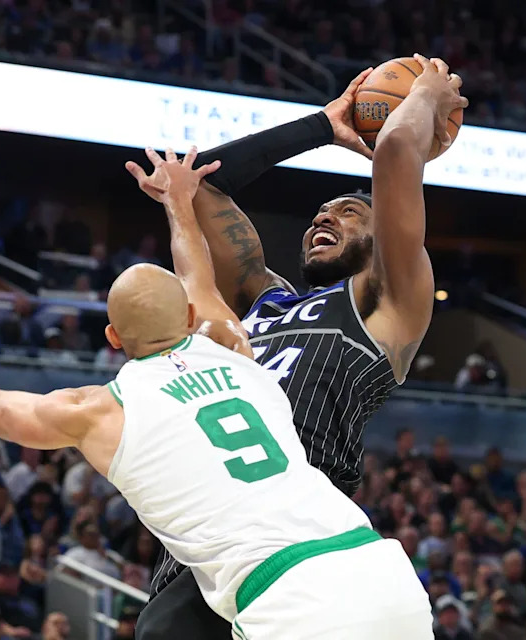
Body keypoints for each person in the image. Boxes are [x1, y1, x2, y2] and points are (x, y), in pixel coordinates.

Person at [0, 146, 434, 638]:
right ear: (189, 316)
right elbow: (197, 274)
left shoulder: (100, 410)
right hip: (373, 563)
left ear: (111, 338)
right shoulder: (235, 351)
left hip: (284, 594)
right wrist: (179, 205)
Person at [125, 55, 466, 639]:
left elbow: (396, 156)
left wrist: (425, 96)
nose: (324, 218)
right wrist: (320, 126)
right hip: (204, 543)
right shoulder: (262, 299)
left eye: (349, 212)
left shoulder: (385, 304)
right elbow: (202, 181)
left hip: (298, 542)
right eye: (318, 214)